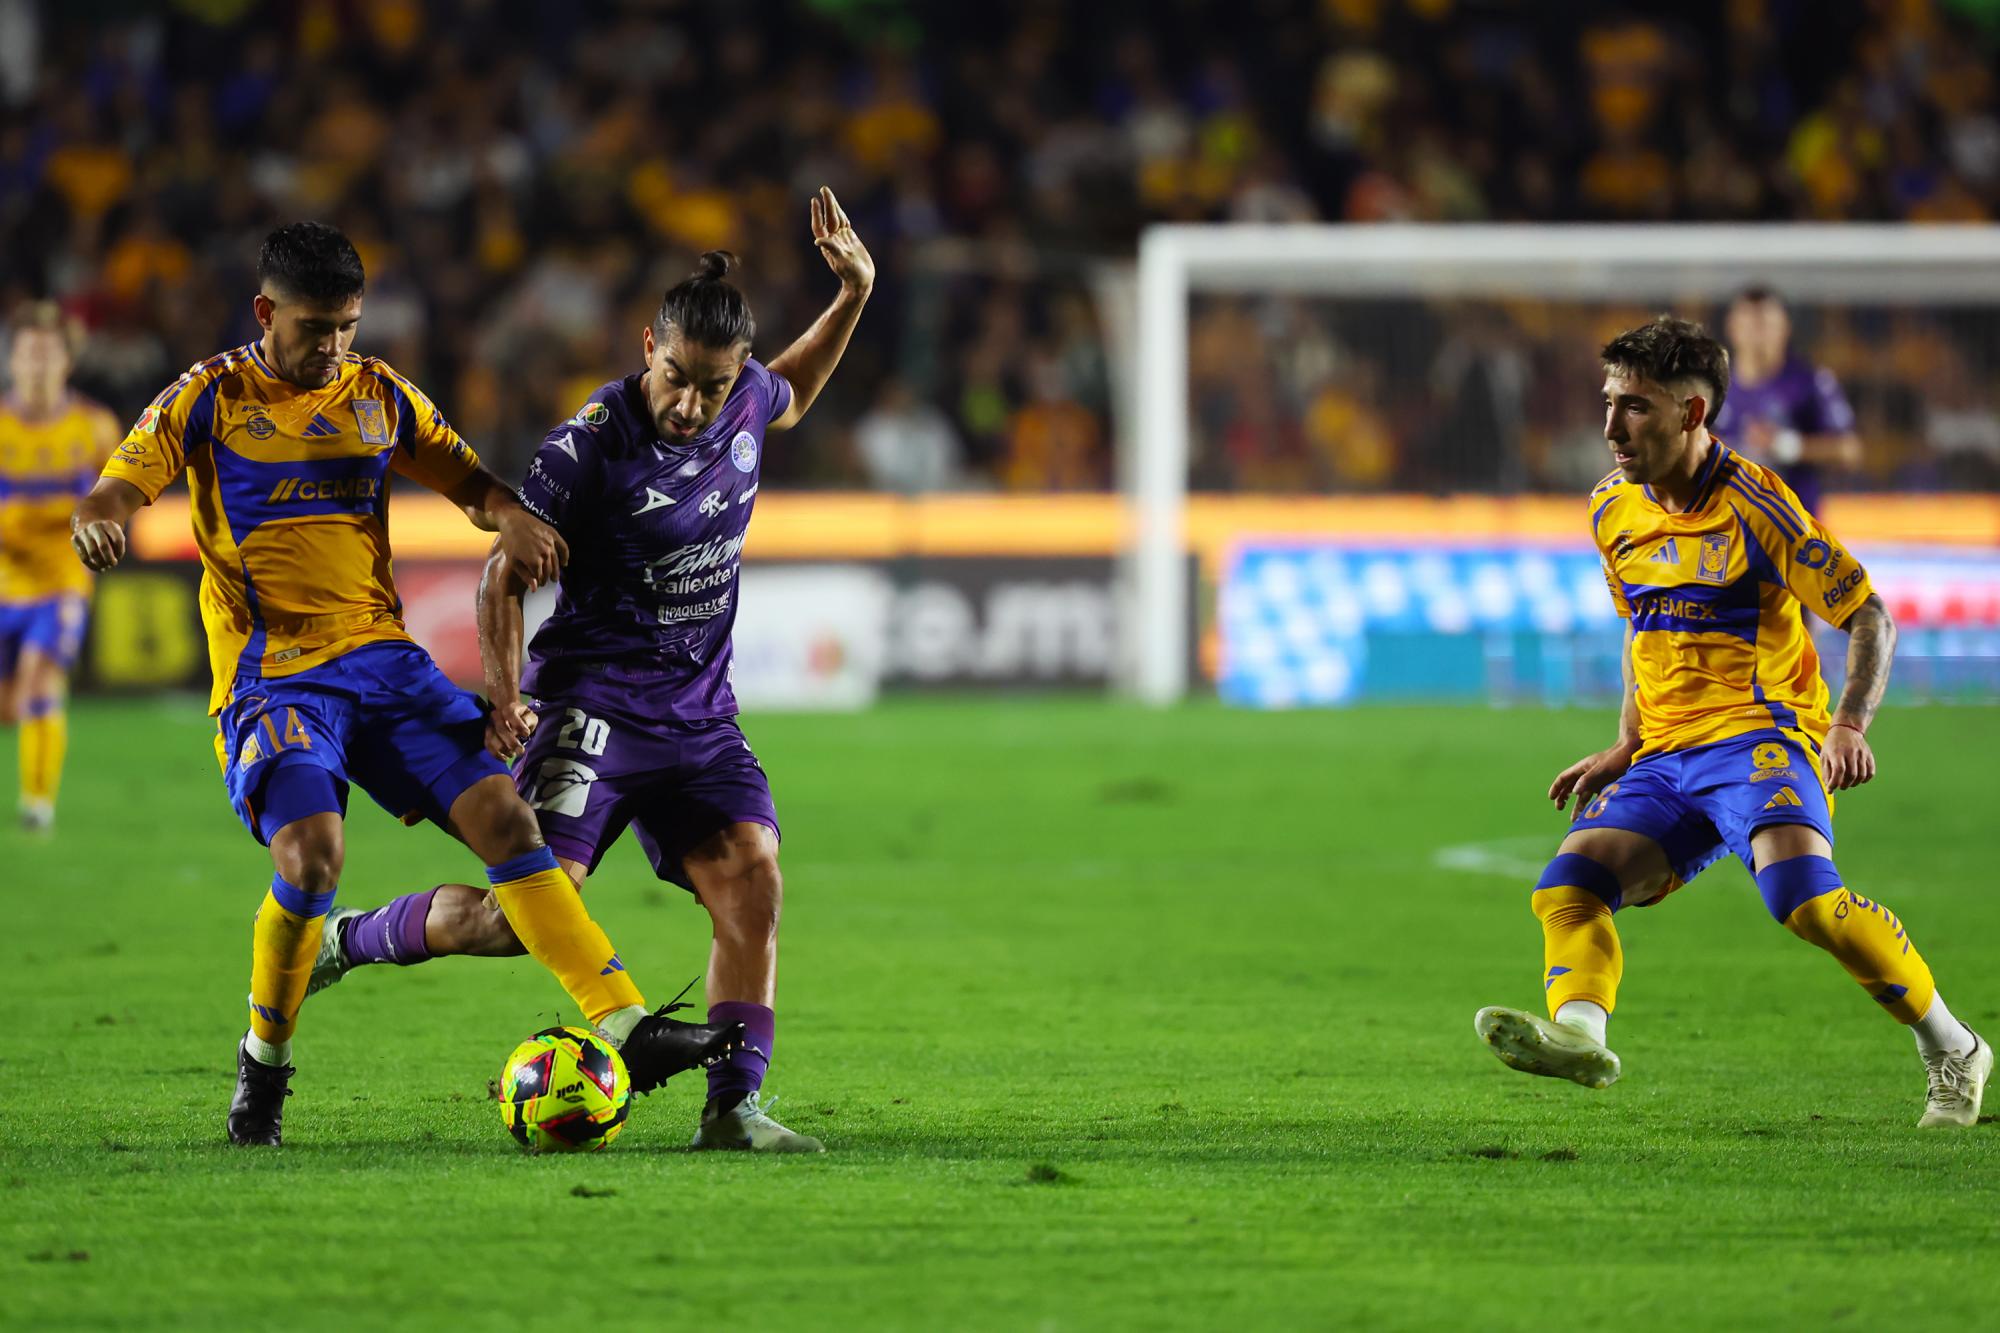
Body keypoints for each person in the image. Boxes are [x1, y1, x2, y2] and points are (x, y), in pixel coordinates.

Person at [69, 222, 740, 1147]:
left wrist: (511, 518)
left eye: (347, 325)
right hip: (276, 678)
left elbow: (471, 483)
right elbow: (116, 488)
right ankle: (265, 1061)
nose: (333, 345)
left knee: (509, 821)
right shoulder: (209, 396)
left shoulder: (378, 394)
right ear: (265, 311)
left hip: (385, 664)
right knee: (312, 858)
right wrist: (99, 520)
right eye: (315, 327)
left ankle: (625, 1022)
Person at [313, 188, 874, 1152]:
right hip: (593, 711)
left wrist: (853, 294)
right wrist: (505, 696)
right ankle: (350, 936)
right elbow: (501, 575)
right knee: (516, 919)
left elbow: (791, 389)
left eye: (711, 387)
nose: (690, 404)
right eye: (675, 377)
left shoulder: (745, 396)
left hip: (699, 715)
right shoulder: (586, 450)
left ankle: (732, 1109)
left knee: (754, 879)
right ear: (647, 344)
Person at [1473, 315, 1988, 1128]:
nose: (1611, 427)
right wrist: (1628, 741)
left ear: (1691, 413)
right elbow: (1643, 632)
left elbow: (1870, 616)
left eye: (1635, 406)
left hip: (1762, 735)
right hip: (1667, 751)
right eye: (1608, 402)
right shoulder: (1611, 508)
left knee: (1803, 901)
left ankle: (1954, 1046)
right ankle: (1580, 1036)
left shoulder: (1757, 505)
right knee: (1568, 887)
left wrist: (1849, 725)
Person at [0, 303, 120, 831]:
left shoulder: (94, 427)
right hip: (5, 579)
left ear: (67, 361)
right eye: (29, 353)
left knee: (40, 680)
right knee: (11, 707)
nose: (38, 364)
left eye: (48, 353)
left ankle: (36, 807)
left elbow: (119, 496)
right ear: (12, 360)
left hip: (62, 579)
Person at [1712, 286, 1861, 516]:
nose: (1756, 334)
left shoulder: (1810, 381)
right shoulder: (1712, 386)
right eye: (1749, 324)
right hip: (1730, 524)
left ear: (1785, 327)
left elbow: (1848, 451)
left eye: (1764, 324)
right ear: (1732, 327)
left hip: (1794, 525)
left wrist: (1788, 445)